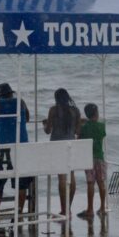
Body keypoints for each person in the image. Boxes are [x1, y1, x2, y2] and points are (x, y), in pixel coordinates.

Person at [0, 83, 33, 214]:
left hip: (4, 148)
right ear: (11, 93)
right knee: (21, 184)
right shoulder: (20, 101)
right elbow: (27, 118)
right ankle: (19, 213)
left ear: (0, 95)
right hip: (22, 146)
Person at [43, 88, 82, 216]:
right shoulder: (75, 111)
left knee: (62, 178)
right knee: (71, 176)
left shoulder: (53, 110)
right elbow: (77, 132)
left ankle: (63, 209)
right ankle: (68, 208)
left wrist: (45, 124)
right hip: (71, 145)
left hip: (57, 145)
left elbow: (48, 130)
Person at [78, 103, 107, 218]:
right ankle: (102, 207)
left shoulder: (84, 128)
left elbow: (79, 137)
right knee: (101, 182)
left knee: (90, 183)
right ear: (97, 113)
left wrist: (82, 123)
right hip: (100, 157)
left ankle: (90, 209)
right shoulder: (101, 126)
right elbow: (103, 134)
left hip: (89, 158)